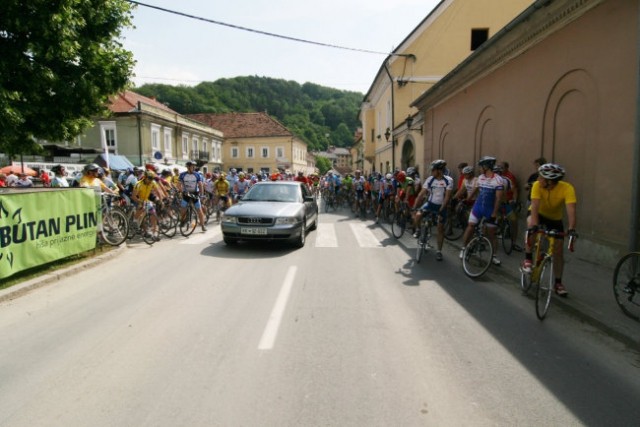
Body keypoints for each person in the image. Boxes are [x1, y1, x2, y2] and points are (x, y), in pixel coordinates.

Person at [522, 163, 577, 297]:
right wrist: (535, 226)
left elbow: (571, 210)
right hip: (538, 214)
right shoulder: (536, 185)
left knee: (558, 251)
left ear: (550, 181)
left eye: (541, 178)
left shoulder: (567, 188)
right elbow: (534, 206)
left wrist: (571, 229)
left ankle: (558, 283)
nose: (538, 179)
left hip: (554, 219)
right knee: (530, 225)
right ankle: (528, 259)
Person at [460, 156, 504, 266]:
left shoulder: (498, 180)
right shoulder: (480, 177)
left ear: (486, 166)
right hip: (478, 207)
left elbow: (498, 198)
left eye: (481, 166)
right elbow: (475, 190)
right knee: (470, 227)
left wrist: (494, 213)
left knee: (492, 234)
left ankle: (493, 256)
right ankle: (464, 248)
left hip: (490, 209)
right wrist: (467, 200)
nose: (479, 169)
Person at [413, 160, 454, 261]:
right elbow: (421, 194)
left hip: (442, 206)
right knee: (418, 215)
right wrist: (415, 205)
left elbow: (447, 197)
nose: (431, 172)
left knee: (440, 228)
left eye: (433, 170)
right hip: (430, 204)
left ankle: (439, 251)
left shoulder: (448, 180)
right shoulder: (430, 179)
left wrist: (441, 210)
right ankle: (418, 230)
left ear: (439, 170)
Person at [132, 170, 163, 240]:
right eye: (149, 179)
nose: (150, 181)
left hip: (146, 200)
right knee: (141, 208)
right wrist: (140, 201)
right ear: (145, 177)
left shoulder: (152, 182)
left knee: (153, 214)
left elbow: (158, 191)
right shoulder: (138, 184)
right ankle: (135, 220)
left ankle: (154, 234)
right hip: (138, 198)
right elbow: (133, 196)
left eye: (152, 179)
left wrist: (161, 200)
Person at [179, 160, 207, 232]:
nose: (194, 168)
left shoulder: (197, 174)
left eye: (194, 166)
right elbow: (179, 184)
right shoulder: (182, 175)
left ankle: (202, 225)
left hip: (195, 193)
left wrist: (202, 195)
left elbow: (200, 185)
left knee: (199, 210)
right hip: (186, 193)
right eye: (192, 166)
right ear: (188, 167)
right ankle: (182, 220)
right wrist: (181, 191)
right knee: (183, 208)